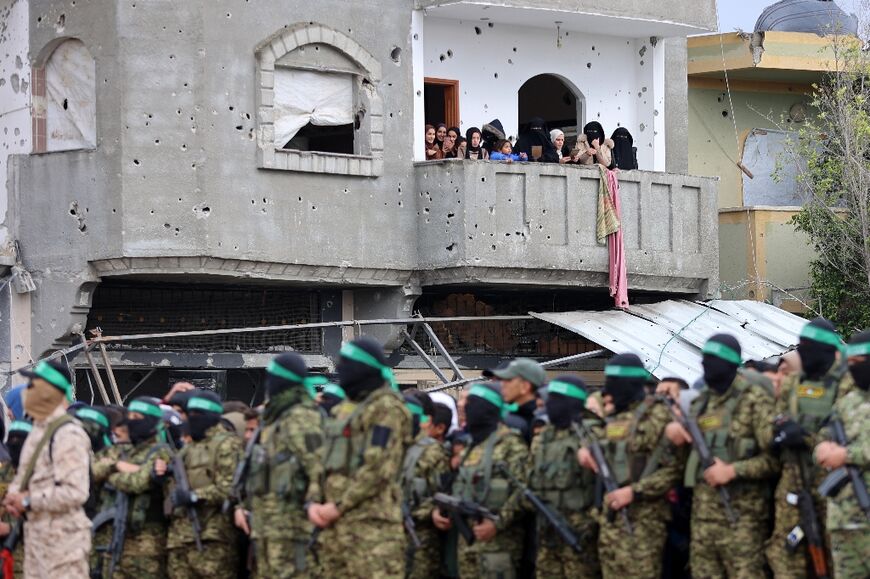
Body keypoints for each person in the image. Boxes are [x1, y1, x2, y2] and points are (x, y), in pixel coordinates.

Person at [667, 335, 778, 578]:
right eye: (704, 359)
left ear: (729, 363)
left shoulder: (754, 400)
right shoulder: (701, 404)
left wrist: (732, 471)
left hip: (742, 521)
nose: (705, 365)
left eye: (712, 359)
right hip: (703, 521)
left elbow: (774, 460)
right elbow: (687, 459)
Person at [308, 337, 412, 578]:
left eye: (347, 363)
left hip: (370, 533)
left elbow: (378, 468)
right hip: (333, 530)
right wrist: (314, 501)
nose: (340, 369)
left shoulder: (386, 408)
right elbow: (321, 461)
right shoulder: (342, 410)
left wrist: (338, 506)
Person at [577, 354, 681, 579]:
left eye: (614, 382)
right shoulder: (617, 417)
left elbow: (674, 469)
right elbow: (605, 448)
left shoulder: (659, 416)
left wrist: (634, 492)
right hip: (612, 520)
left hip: (643, 523)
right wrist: (587, 450)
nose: (608, 389)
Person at [767, 318, 850, 578]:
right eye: (801, 344)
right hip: (793, 482)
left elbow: (848, 439)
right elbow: (777, 419)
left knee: (834, 560)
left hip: (833, 488)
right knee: (785, 555)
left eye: (809, 345)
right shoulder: (793, 384)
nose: (803, 351)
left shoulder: (847, 385)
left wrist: (805, 437)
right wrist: (777, 432)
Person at [232, 353, 324, 578]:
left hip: (294, 534)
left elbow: (321, 470)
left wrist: (311, 509)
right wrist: (244, 506)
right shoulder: (273, 422)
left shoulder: (303, 418)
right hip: (267, 531)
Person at [3, 359, 92, 579]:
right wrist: (14, 497)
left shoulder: (67, 434)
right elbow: (26, 476)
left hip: (62, 545)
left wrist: (27, 500)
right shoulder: (40, 430)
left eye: (35, 386)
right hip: (37, 539)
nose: (28, 392)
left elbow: (75, 492)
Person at [432, 382, 529, 578]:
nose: (465, 409)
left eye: (472, 404)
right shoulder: (471, 447)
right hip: (467, 543)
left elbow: (524, 492)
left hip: (497, 546)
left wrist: (497, 523)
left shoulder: (511, 444)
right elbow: (457, 484)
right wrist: (438, 511)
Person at [164, 389, 243, 579]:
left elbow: (229, 488)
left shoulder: (227, 445)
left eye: (198, 415)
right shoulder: (188, 449)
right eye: (189, 414)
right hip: (181, 537)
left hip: (211, 538)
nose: (192, 419)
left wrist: (194, 496)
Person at [528, 375, 600, 578]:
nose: (550, 404)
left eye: (555, 399)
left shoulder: (592, 435)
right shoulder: (544, 437)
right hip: (547, 531)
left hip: (578, 535)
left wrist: (589, 524)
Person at [94, 397, 173, 578]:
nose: (131, 421)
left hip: (147, 545)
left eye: (137, 417)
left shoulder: (162, 453)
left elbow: (138, 482)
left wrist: (110, 474)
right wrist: (117, 466)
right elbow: (90, 471)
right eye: (129, 416)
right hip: (115, 541)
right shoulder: (121, 451)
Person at [815, 330, 870, 579]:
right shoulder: (847, 403)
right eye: (850, 364)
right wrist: (823, 449)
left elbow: (849, 452)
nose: (853, 370)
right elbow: (825, 434)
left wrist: (847, 455)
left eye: (859, 364)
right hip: (845, 522)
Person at [401, 391, 450, 579]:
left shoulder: (433, 452)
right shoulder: (391, 447)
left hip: (421, 540)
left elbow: (441, 495)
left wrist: (424, 512)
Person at [0, 419, 31, 577]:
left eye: (19, 440)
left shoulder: (41, 474)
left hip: (31, 555)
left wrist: (10, 529)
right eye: (11, 439)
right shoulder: (4, 470)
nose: (14, 444)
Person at [493, 358, 546, 445]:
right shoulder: (512, 412)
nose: (502, 385)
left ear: (525, 387)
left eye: (508, 380)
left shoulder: (540, 422)